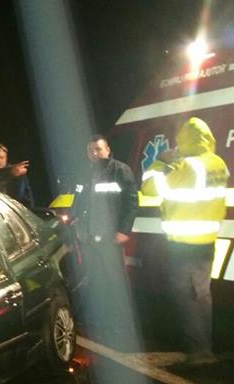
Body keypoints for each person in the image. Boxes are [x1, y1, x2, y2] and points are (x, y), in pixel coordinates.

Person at [141, 117, 230, 364]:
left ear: (185, 139)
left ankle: (198, 352)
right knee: (202, 294)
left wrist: (161, 161)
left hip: (183, 241)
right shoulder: (218, 163)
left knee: (186, 297)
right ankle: (206, 347)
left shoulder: (184, 166)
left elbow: (149, 187)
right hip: (208, 240)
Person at [71, 135, 138, 343]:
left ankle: (122, 328)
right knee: (97, 281)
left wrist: (123, 230)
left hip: (110, 238)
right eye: (90, 150)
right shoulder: (85, 172)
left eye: (98, 149)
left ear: (107, 150)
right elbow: (78, 201)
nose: (94, 153)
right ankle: (102, 324)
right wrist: (76, 223)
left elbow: (131, 202)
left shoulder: (120, 170)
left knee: (115, 283)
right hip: (90, 237)